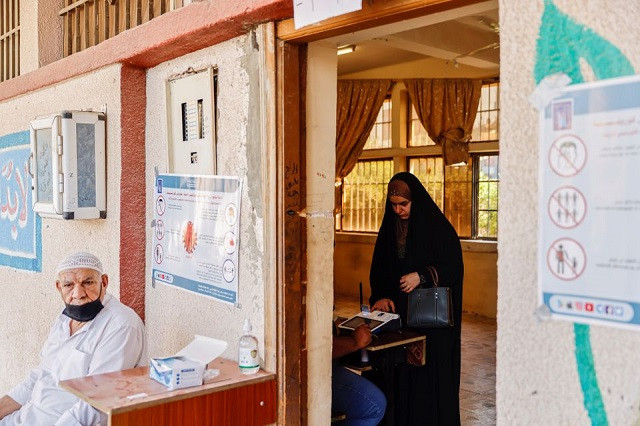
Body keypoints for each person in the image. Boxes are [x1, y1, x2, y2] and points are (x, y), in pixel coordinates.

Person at [0, 252, 148, 426]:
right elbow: (41, 374)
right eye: (69, 285)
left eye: (88, 282)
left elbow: (97, 405)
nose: (78, 294)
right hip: (27, 417)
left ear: (104, 282)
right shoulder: (65, 318)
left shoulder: (121, 325)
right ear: (58, 287)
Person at [369, 172, 464, 425]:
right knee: (403, 375)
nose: (398, 210)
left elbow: (453, 268)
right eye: (394, 205)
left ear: (415, 201)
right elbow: (380, 269)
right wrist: (381, 296)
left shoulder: (438, 228)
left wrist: (421, 276)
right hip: (401, 320)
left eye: (404, 204)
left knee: (429, 378)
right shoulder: (389, 229)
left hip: (432, 323)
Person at [332, 322, 386, 425]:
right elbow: (318, 346)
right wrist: (354, 342)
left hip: (328, 368)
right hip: (315, 373)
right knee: (375, 406)